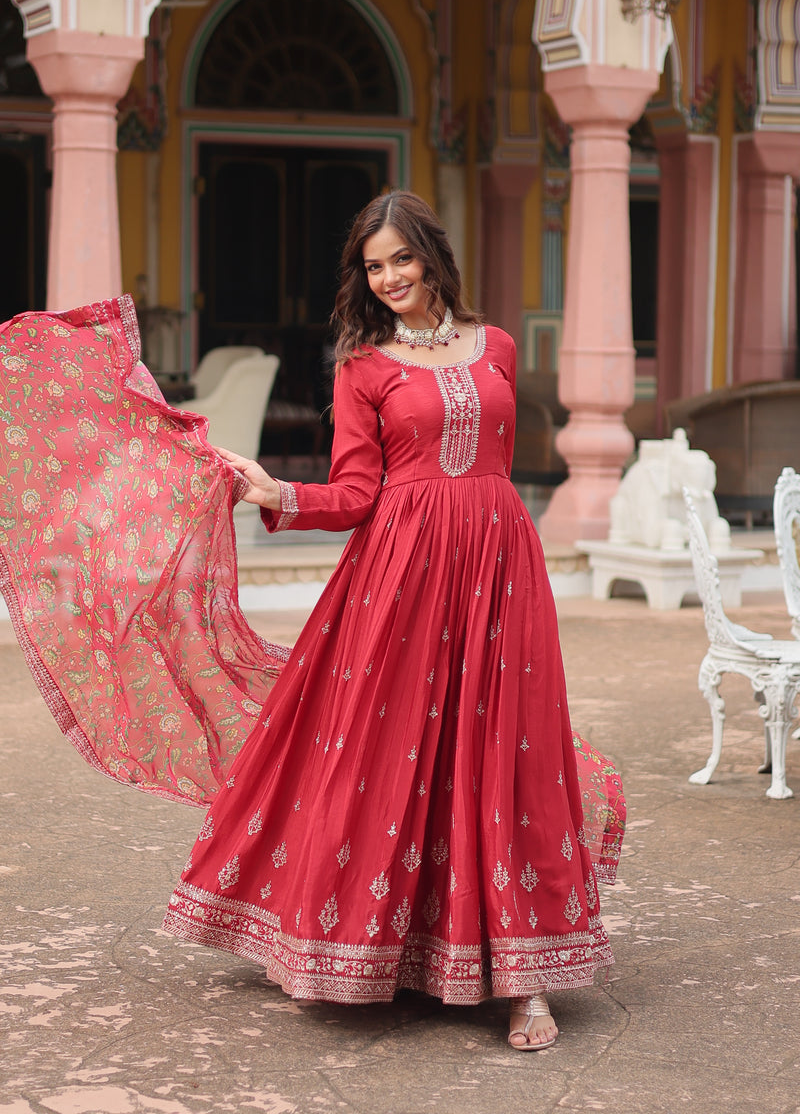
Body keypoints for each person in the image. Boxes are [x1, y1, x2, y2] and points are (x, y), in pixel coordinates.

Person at [161, 191, 625, 1051]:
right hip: (400, 582)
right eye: (374, 268)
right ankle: (375, 946)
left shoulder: (497, 347)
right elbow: (356, 495)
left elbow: (487, 467)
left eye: (400, 260)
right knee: (389, 752)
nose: (389, 279)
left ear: (431, 258)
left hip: (498, 570)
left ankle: (524, 982)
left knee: (503, 756)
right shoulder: (364, 366)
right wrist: (278, 494)